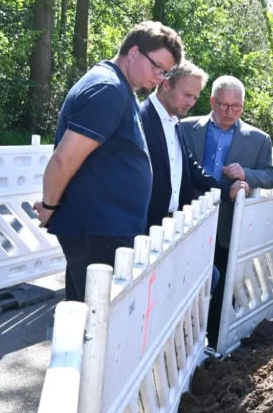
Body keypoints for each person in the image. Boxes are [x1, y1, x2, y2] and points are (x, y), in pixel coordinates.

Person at [35, 21, 183, 302]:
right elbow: (64, 159)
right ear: (134, 52)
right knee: (97, 322)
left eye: (166, 72)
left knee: (89, 319)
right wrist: (50, 205)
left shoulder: (119, 87)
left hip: (105, 231)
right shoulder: (108, 89)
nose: (160, 78)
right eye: (157, 67)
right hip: (99, 233)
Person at [181, 76, 273, 347]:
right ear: (212, 101)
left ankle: (213, 342)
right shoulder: (186, 128)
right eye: (223, 105)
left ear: (243, 106)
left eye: (236, 107)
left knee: (222, 285)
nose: (229, 112)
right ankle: (185, 342)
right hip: (188, 219)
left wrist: (246, 173)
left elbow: (270, 175)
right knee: (185, 285)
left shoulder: (259, 139)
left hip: (228, 224)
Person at [141, 60, 239, 230]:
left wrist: (226, 191)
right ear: (165, 85)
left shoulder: (176, 122)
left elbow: (191, 169)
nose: (191, 103)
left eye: (195, 97)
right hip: (142, 230)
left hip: (173, 226)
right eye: (187, 95)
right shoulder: (140, 118)